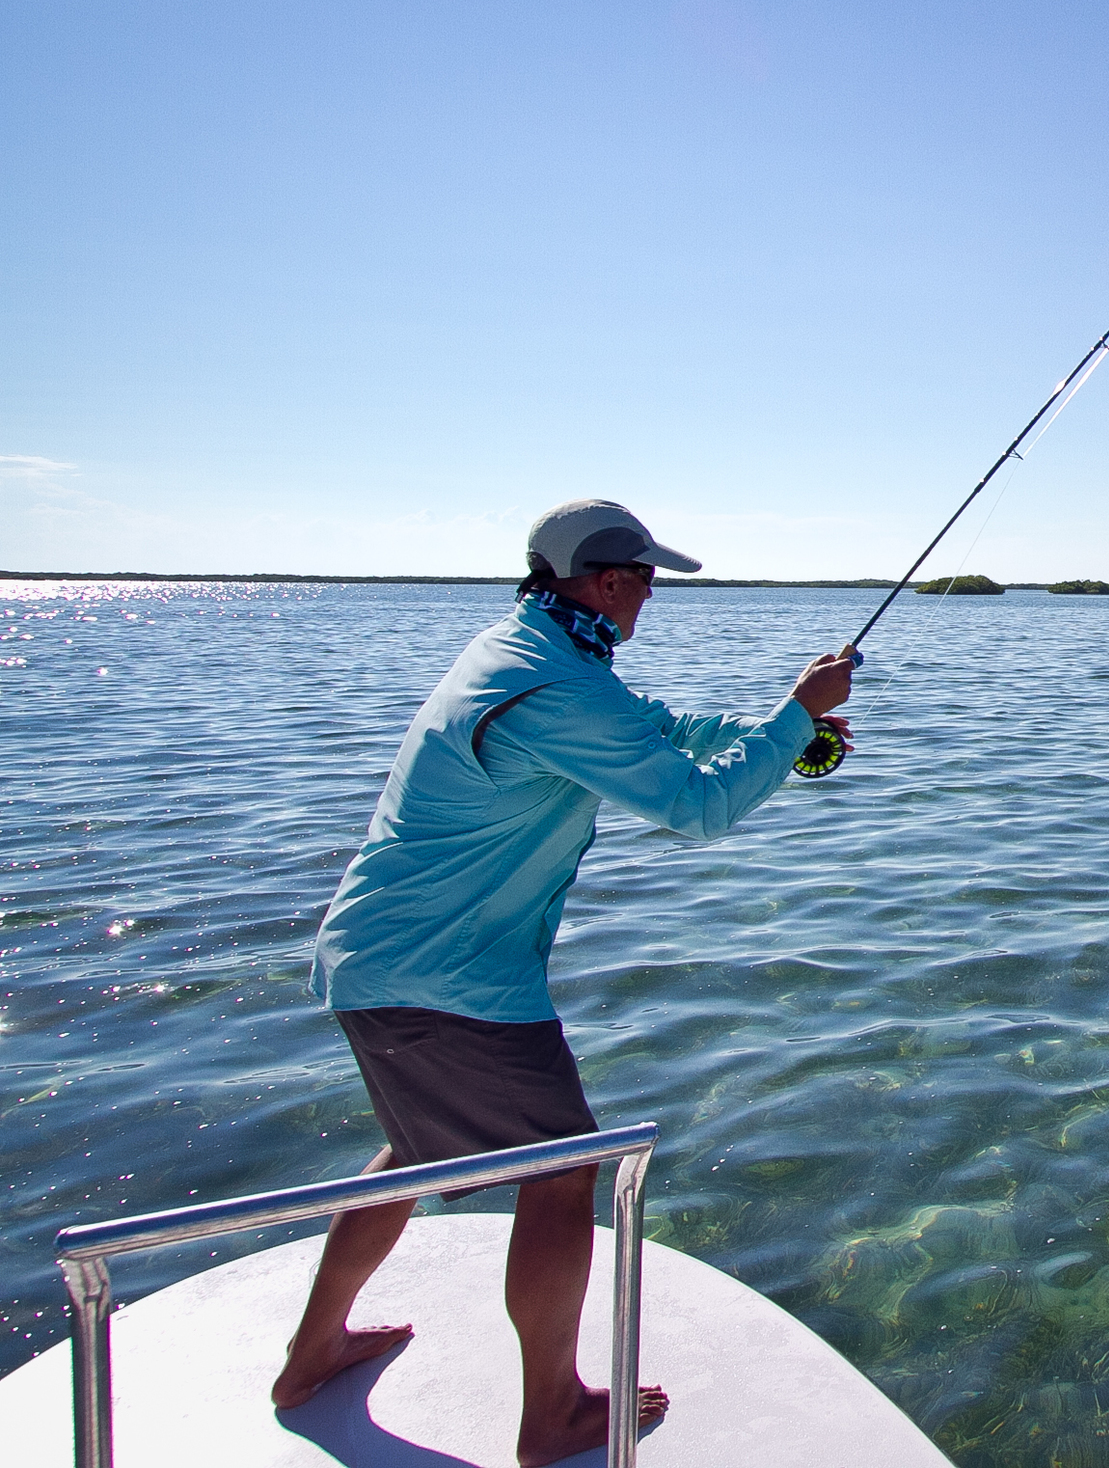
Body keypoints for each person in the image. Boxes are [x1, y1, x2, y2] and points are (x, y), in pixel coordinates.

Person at [272, 498, 857, 1466]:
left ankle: (312, 1351)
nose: (652, 595)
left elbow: (661, 727)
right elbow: (695, 804)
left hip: (385, 961)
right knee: (562, 1168)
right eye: (648, 578)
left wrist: (782, 734)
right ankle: (552, 1412)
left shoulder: (534, 651)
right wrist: (797, 713)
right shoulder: (553, 687)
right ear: (609, 578)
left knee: (415, 1151)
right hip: (445, 978)